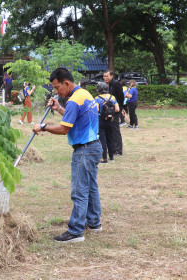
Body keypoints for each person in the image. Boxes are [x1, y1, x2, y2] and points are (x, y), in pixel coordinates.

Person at [33, 68, 102, 243]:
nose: (56, 92)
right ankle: (94, 223)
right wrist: (59, 108)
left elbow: (64, 129)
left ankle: (76, 231)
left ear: (66, 83)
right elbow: (75, 117)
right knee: (91, 188)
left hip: (84, 150)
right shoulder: (84, 94)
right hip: (94, 147)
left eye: (57, 88)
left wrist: (43, 127)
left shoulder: (73, 100)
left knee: (79, 190)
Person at [95, 82, 119, 164]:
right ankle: (111, 157)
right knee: (110, 139)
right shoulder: (112, 97)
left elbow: (97, 109)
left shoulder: (97, 98)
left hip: (101, 120)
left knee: (102, 140)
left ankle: (104, 158)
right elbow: (117, 109)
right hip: (111, 120)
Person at [103, 70, 124, 156]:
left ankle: (118, 150)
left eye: (107, 76)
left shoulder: (116, 84)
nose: (105, 78)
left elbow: (121, 97)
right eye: (104, 76)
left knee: (115, 130)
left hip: (115, 110)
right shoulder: (105, 85)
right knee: (109, 130)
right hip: (107, 110)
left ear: (111, 76)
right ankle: (112, 149)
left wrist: (121, 108)